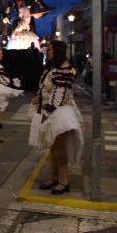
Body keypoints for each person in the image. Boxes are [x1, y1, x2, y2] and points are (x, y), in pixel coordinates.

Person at [29, 40, 83, 195]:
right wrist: (38, 97)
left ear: (58, 51)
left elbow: (61, 94)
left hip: (60, 112)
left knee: (59, 148)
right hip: (51, 110)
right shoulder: (53, 68)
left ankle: (64, 181)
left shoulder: (65, 70)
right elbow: (45, 88)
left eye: (50, 50)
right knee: (52, 147)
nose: (47, 52)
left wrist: (46, 112)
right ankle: (54, 177)